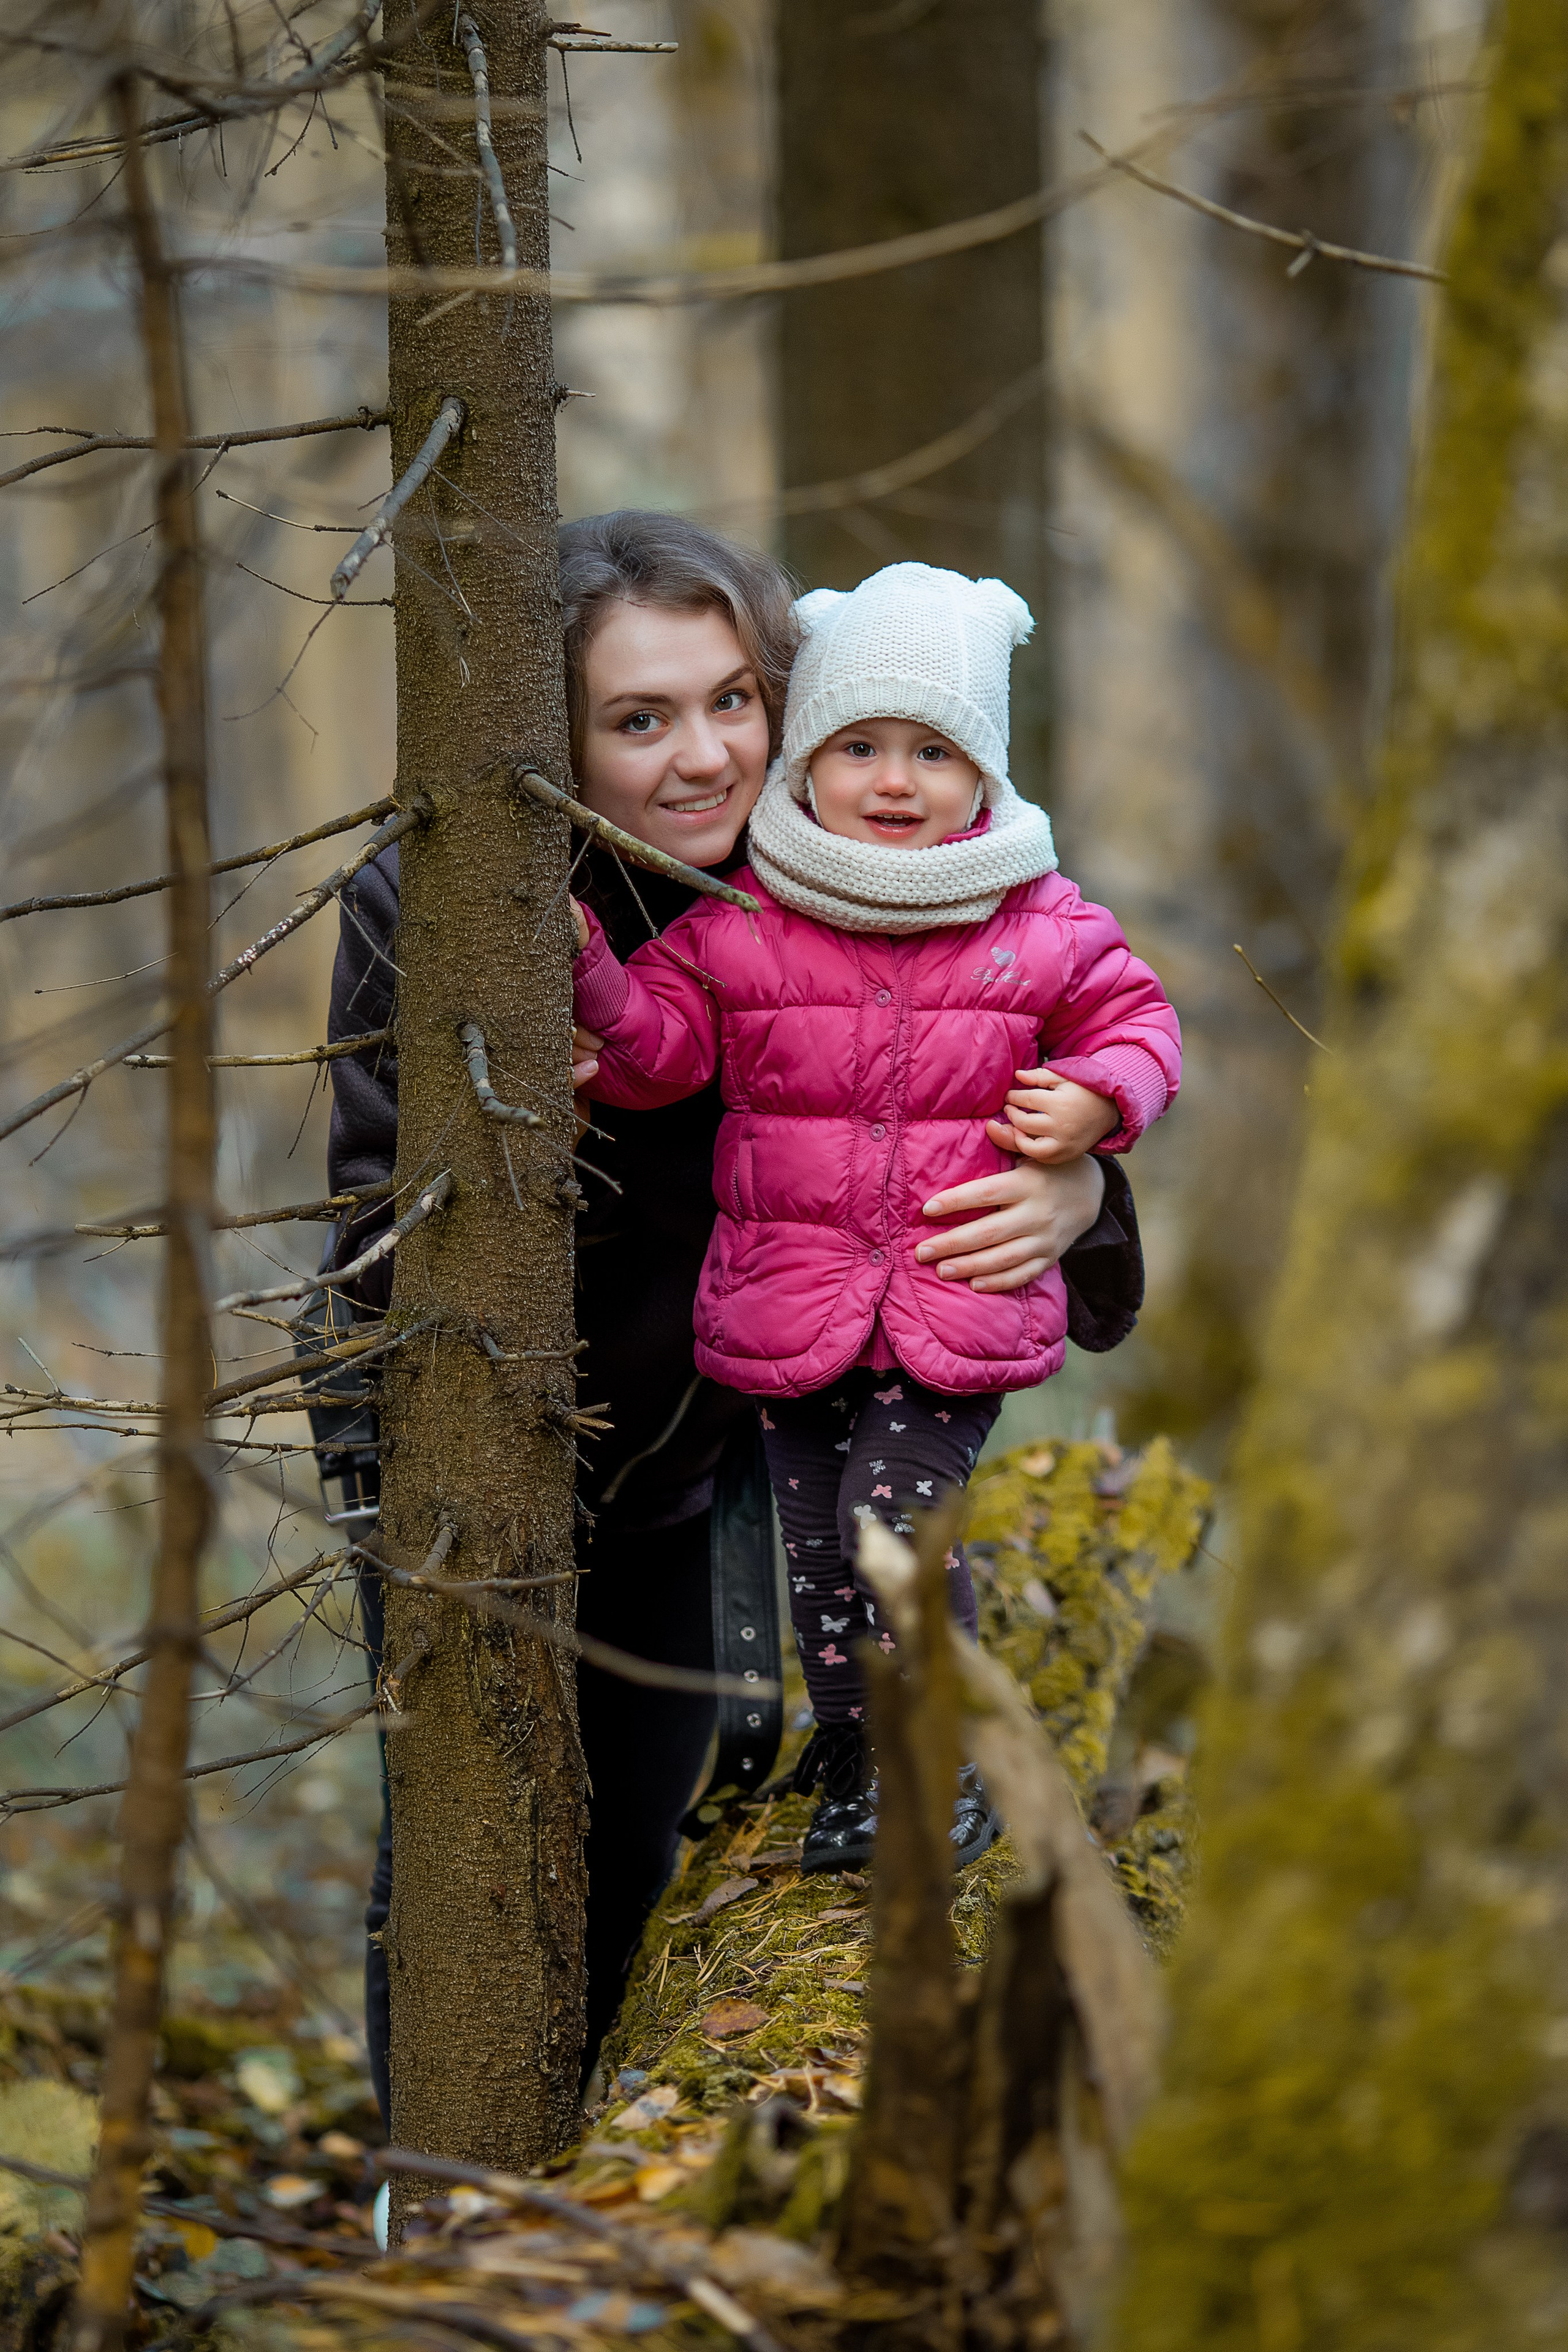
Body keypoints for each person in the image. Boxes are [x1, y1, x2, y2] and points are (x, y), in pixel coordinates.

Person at [325, 514, 1150, 2098]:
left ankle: (604, 2178)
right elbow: (377, 1221)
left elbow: (1050, 1066)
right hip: (478, 1458)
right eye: (638, 721)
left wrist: (1083, 1191)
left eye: (731, 702)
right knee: (464, 1850)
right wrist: (398, 1479)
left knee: (644, 1819)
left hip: (711, 1457)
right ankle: (429, 2206)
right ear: (549, 735)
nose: (702, 756)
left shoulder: (878, 856)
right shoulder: (452, 896)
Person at [568, 560, 1180, 1873]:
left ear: (983, 775)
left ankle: (939, 1756)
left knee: (888, 1528)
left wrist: (1093, 1103)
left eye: (932, 751)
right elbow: (659, 1052)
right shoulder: (748, 921)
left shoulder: (1037, 920)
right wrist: (588, 983)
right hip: (795, 1304)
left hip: (956, 1287)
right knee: (817, 1558)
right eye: (858, 747)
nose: (893, 780)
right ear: (809, 759)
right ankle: (855, 1752)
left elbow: (1137, 1022)